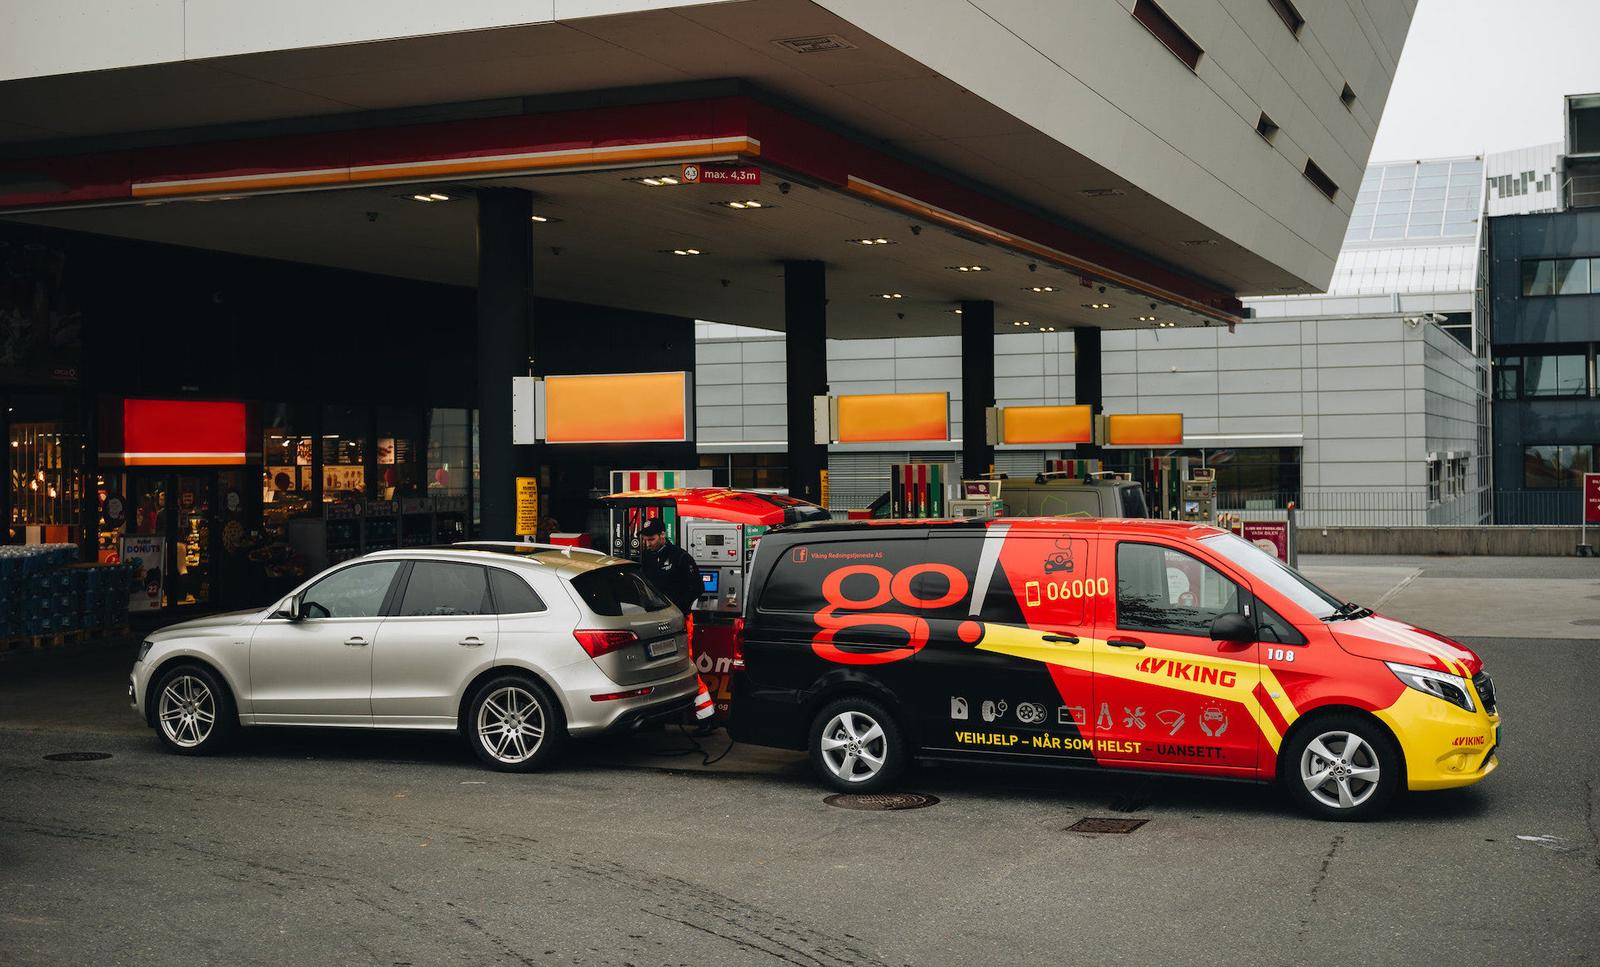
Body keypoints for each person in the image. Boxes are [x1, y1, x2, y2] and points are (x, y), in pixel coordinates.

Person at [637, 517, 715, 725]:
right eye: (645, 540)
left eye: (652, 539)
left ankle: (706, 716)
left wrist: (676, 610)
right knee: (660, 669)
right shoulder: (647, 558)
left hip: (680, 621)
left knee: (684, 666)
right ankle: (659, 718)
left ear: (663, 535)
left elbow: (698, 588)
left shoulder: (681, 557)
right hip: (655, 623)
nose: (648, 543)